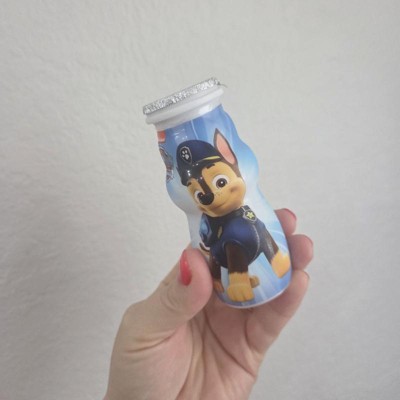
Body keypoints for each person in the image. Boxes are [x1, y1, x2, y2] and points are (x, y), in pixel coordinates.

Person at [104, 209, 313, 400]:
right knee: (225, 249)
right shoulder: (214, 225)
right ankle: (237, 280)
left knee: (262, 234)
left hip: (247, 235)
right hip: (222, 251)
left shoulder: (247, 213)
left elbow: (263, 235)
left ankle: (274, 262)